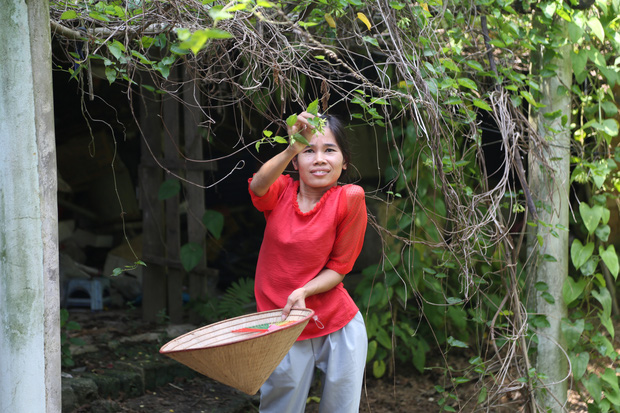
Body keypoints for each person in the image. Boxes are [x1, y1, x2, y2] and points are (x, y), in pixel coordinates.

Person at [248, 111, 368, 413]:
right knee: (280, 408)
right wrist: (291, 144)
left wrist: (303, 291)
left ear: (344, 162)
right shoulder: (281, 190)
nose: (319, 159)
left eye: (329, 150)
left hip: (338, 324)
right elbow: (257, 186)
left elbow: (340, 267)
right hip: (283, 321)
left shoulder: (349, 198)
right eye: (308, 150)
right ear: (296, 162)